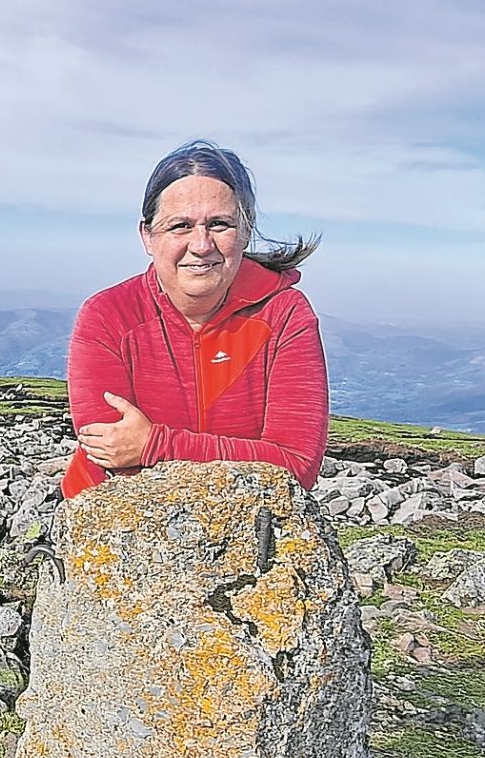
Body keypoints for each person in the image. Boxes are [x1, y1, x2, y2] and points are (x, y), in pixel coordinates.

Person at [61, 140, 328, 499]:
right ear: (147, 236)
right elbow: (109, 452)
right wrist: (246, 459)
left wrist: (155, 444)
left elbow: (296, 467)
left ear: (246, 232)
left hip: (244, 530)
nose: (202, 245)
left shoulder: (285, 316)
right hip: (112, 524)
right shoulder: (109, 316)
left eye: (219, 224)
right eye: (180, 226)